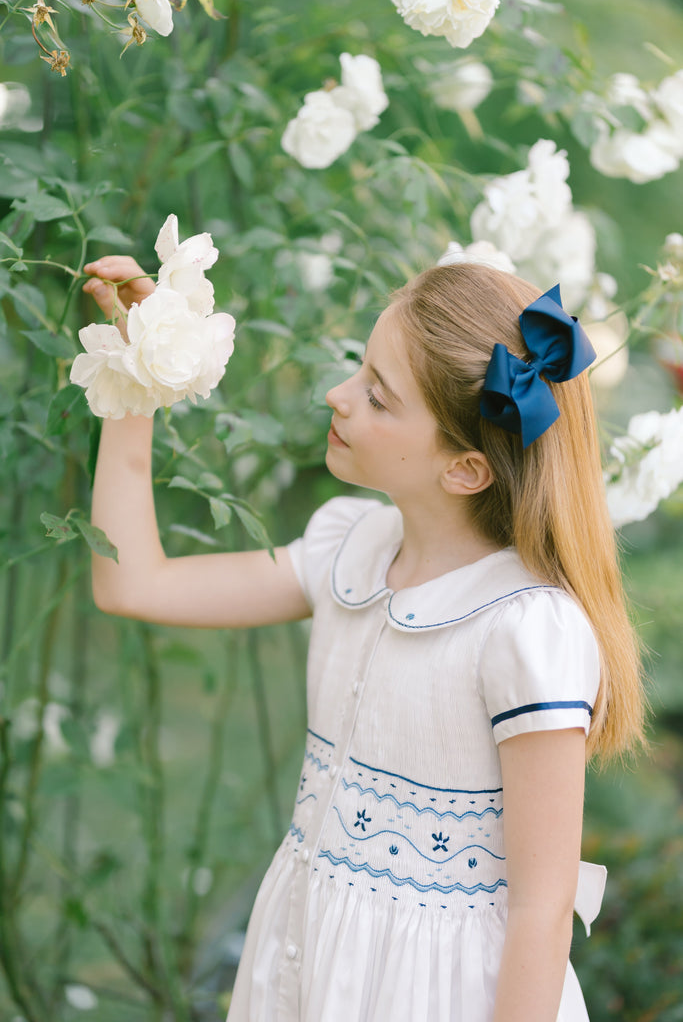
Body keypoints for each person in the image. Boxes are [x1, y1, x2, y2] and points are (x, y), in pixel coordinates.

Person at [83, 254, 645, 1022]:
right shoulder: (349, 552)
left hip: (435, 996)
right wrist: (137, 377)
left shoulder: (523, 631)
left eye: (377, 397)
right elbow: (131, 583)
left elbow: (538, 912)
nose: (337, 396)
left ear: (467, 469)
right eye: (359, 370)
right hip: (306, 963)